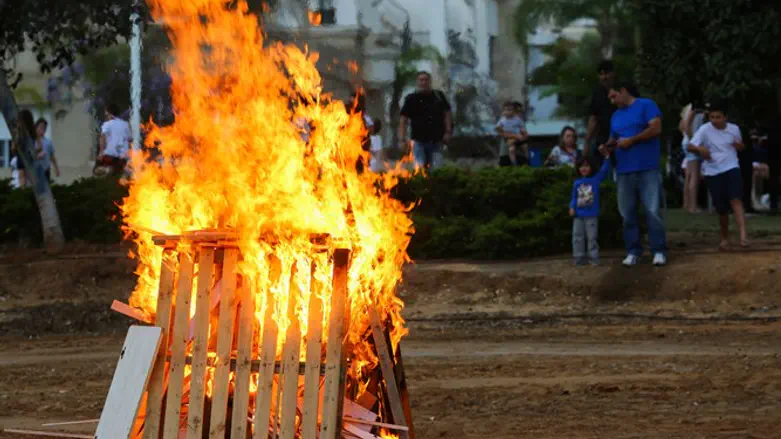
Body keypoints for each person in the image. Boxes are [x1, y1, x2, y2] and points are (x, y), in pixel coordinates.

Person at [600, 82, 667, 267]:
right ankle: (633, 251)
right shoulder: (615, 116)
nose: (612, 100)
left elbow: (656, 128)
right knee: (627, 213)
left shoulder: (646, 105)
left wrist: (632, 140)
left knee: (652, 211)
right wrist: (607, 147)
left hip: (647, 168)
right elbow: (613, 139)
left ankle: (659, 250)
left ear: (623, 91)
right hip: (623, 170)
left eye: (614, 96)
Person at [687, 101, 749, 250]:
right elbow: (690, 146)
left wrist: (739, 146)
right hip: (713, 171)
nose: (715, 120)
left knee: (736, 199)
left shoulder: (734, 129)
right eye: (712, 117)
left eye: (718, 117)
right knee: (722, 209)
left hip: (731, 167)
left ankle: (743, 235)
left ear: (725, 117)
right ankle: (725, 238)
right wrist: (701, 150)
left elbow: (741, 146)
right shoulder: (704, 129)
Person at [398, 71, 453, 169]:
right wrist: (402, 139)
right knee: (419, 171)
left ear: (430, 82)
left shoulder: (439, 96)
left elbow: (447, 114)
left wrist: (448, 132)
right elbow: (403, 120)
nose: (424, 82)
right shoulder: (411, 99)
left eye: (426, 80)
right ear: (417, 82)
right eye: (421, 80)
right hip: (418, 142)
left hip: (437, 141)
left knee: (437, 171)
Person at [569, 151, 612, 265]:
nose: (584, 168)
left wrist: (607, 158)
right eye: (581, 166)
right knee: (577, 237)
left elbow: (604, 170)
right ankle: (579, 258)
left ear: (591, 167)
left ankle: (594, 259)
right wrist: (572, 207)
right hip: (578, 215)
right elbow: (574, 197)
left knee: (592, 237)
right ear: (578, 168)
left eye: (587, 166)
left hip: (591, 215)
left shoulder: (595, 180)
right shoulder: (577, 183)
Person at [584, 60, 617, 166]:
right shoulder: (597, 94)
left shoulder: (622, 90)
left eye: (606, 73)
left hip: (622, 139)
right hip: (603, 140)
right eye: (601, 74)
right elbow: (593, 119)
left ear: (613, 74)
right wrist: (587, 142)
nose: (604, 77)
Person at [681, 104, 707, 213]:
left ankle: (687, 204)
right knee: (694, 176)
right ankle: (693, 207)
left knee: (689, 176)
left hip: (687, 141)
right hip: (692, 142)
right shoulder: (695, 111)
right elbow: (686, 126)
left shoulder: (687, 110)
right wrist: (693, 140)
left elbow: (682, 126)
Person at [98, 104, 132, 176]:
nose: (105, 114)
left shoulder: (106, 124)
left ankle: (108, 170)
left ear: (108, 113)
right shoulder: (125, 124)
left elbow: (102, 138)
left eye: (106, 112)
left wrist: (101, 153)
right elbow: (129, 140)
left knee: (98, 170)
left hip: (110, 155)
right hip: (123, 156)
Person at [495, 101, 528, 166]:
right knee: (510, 153)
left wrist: (518, 138)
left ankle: (526, 158)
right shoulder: (503, 120)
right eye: (518, 111)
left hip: (520, 154)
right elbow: (499, 131)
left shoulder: (518, 120)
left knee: (524, 148)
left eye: (521, 112)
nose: (520, 114)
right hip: (506, 152)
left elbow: (524, 135)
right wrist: (514, 136)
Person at [35, 118, 60, 182]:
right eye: (41, 126)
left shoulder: (48, 142)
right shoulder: (32, 141)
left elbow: (52, 156)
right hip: (35, 171)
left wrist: (56, 168)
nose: (43, 129)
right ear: (36, 127)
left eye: (44, 127)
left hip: (46, 170)